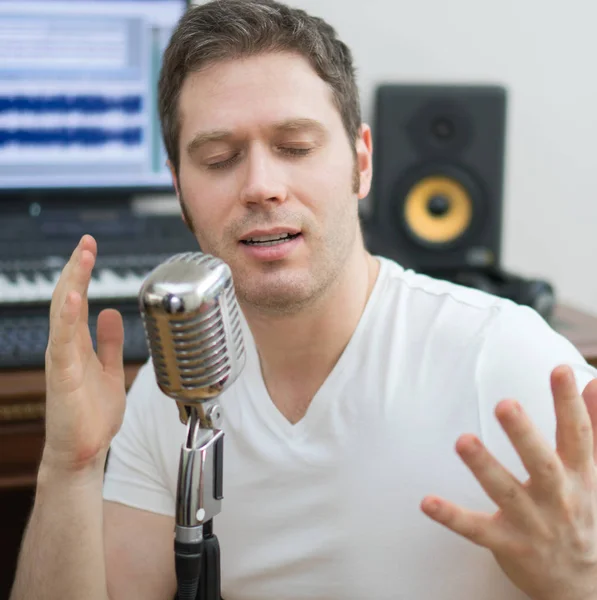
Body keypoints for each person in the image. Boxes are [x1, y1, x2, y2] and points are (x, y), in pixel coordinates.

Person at [9, 1, 597, 599]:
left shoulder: (505, 361)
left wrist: (580, 582)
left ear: (361, 163)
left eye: (294, 146)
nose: (261, 185)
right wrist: (70, 465)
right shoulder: (170, 395)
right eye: (219, 159)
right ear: (180, 190)